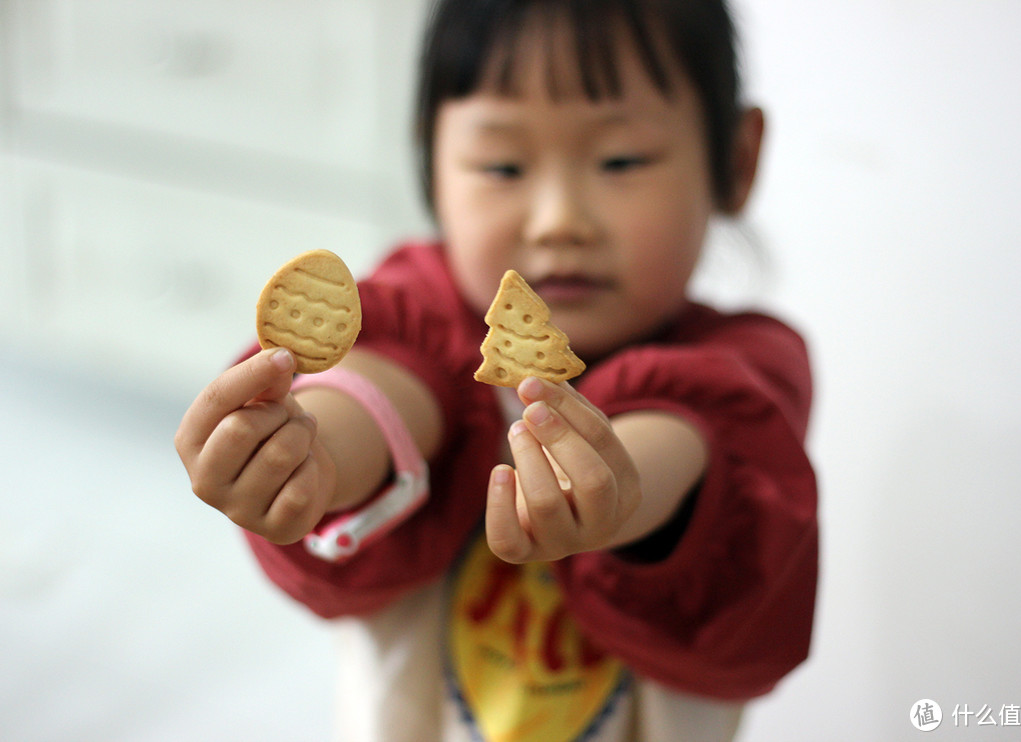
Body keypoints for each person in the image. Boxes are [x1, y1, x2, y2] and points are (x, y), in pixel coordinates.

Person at [174, 0, 818, 739]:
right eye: (502, 165)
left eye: (621, 160)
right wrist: (312, 449)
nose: (558, 220)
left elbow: (680, 441)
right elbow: (386, 388)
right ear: (432, 164)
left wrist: (614, 492)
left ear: (735, 160)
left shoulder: (746, 369)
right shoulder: (422, 320)